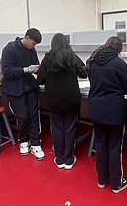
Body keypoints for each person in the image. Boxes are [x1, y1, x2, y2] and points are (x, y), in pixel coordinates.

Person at [87, 36, 127, 194]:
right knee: (115, 147)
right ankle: (116, 183)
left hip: (95, 109)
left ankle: (102, 180)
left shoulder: (92, 61)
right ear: (118, 50)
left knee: (100, 145)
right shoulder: (118, 63)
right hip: (114, 111)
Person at [37, 33, 87, 170]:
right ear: (66, 43)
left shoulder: (47, 59)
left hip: (54, 100)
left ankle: (59, 159)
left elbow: (40, 80)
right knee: (70, 128)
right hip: (72, 99)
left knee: (57, 129)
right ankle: (69, 159)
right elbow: (84, 73)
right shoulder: (72, 56)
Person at [0, 28, 45, 160]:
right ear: (27, 37)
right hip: (15, 88)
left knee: (33, 115)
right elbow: (7, 71)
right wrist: (25, 69)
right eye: (33, 43)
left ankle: (36, 143)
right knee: (23, 116)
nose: (34, 46)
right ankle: (23, 141)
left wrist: (39, 69)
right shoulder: (9, 49)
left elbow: (36, 66)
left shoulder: (32, 50)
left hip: (29, 86)